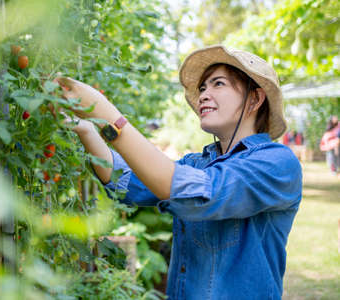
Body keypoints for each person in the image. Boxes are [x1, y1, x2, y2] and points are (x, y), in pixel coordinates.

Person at [55, 45, 302, 300]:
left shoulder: (277, 163)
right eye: (203, 87)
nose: (204, 94)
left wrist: (108, 115)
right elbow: (126, 182)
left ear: (255, 98)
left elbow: (195, 192)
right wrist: (85, 129)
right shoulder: (196, 163)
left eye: (218, 84)